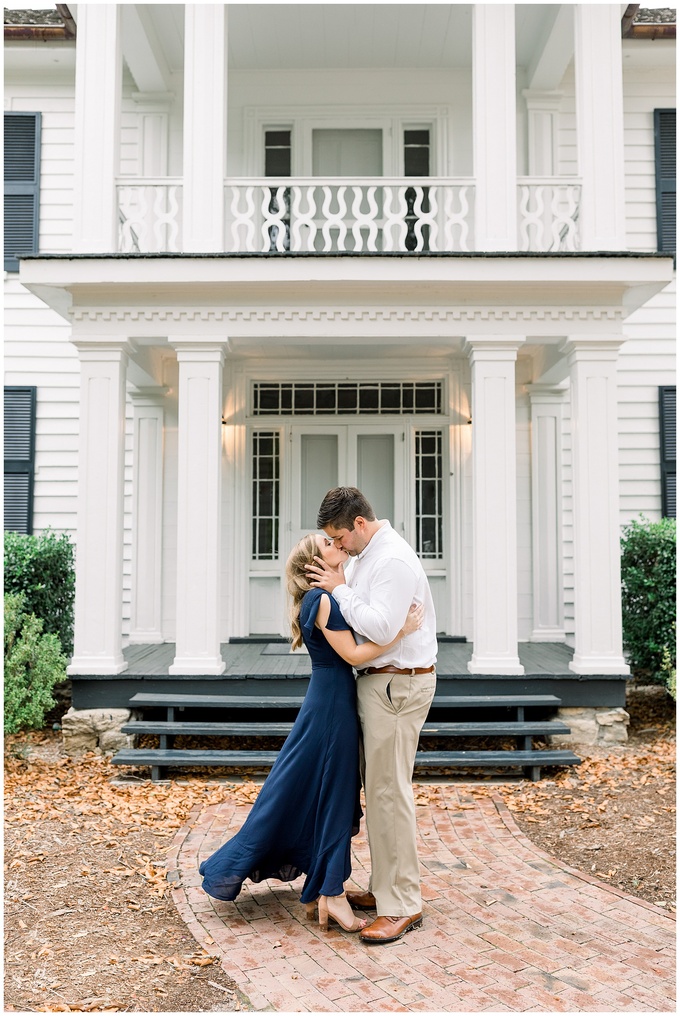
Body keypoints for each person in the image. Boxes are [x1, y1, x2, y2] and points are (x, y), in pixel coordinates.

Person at [199, 532, 423, 934]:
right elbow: (353, 655)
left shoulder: (331, 593)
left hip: (331, 699)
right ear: (315, 563)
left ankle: (328, 891)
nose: (337, 543)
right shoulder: (322, 600)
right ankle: (331, 895)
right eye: (327, 542)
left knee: (327, 794)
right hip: (332, 707)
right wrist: (402, 632)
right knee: (334, 797)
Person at [305, 487, 437, 945]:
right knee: (377, 792)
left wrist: (339, 589)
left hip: (397, 684)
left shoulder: (391, 561)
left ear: (359, 524)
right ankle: (386, 890)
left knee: (389, 794)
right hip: (378, 682)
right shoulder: (365, 558)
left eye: (340, 538)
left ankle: (402, 904)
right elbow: (366, 623)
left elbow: (378, 627)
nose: (338, 547)